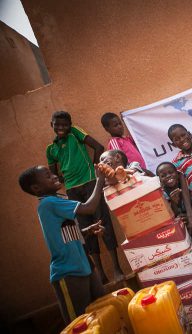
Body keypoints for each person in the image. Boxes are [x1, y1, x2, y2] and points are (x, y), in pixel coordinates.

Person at [18, 165, 107, 324]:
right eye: (47, 175)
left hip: (85, 265)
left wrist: (86, 230)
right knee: (80, 324)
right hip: (69, 272)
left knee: (102, 313)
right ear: (37, 188)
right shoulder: (49, 203)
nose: (53, 176)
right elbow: (89, 207)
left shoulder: (57, 200)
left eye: (51, 173)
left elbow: (64, 232)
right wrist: (99, 180)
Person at [46, 111, 124, 284]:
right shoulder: (51, 149)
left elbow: (98, 147)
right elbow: (54, 174)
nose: (61, 128)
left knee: (104, 223)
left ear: (70, 124)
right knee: (87, 230)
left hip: (90, 183)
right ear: (51, 125)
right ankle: (101, 274)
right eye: (57, 124)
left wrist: (97, 170)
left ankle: (117, 268)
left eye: (65, 124)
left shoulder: (74, 132)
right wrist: (62, 181)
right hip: (72, 191)